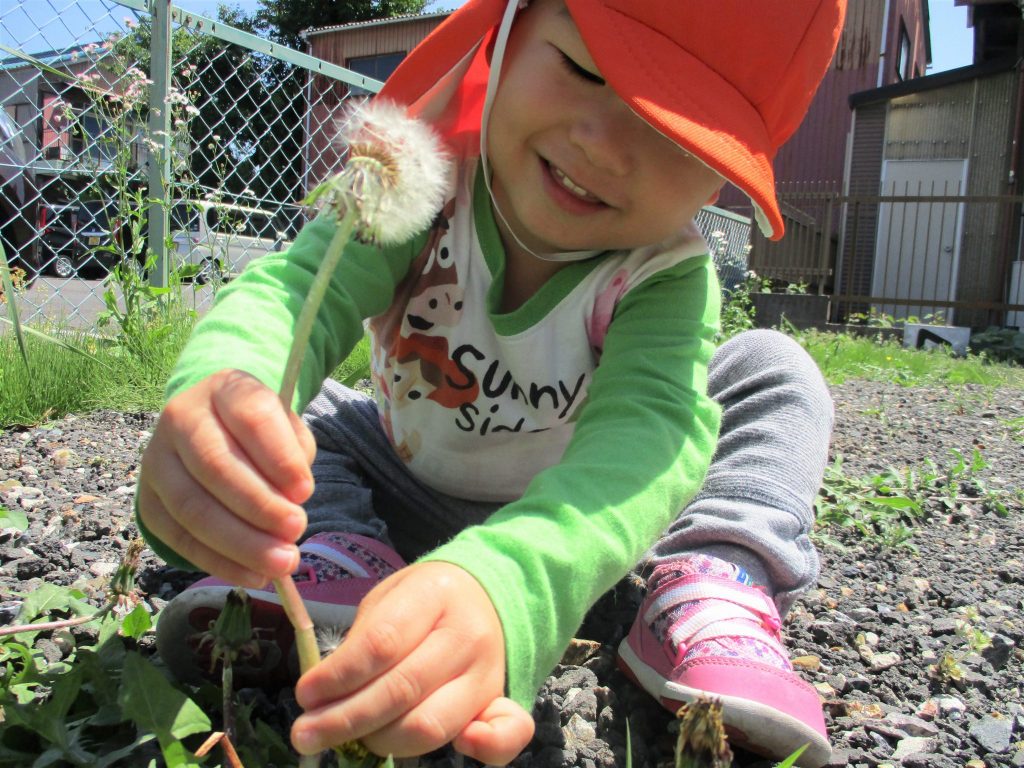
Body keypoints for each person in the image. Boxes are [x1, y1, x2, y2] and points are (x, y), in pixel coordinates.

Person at [137, 1, 844, 765]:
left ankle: (710, 580)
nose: (605, 147)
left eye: (679, 135)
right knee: (312, 413)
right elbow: (299, 289)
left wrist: (514, 584)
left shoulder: (662, 275)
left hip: (580, 531)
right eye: (583, 69)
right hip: (404, 482)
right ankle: (344, 555)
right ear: (502, 34)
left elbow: (642, 443)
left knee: (773, 371)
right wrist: (228, 403)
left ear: (720, 179)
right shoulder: (420, 187)